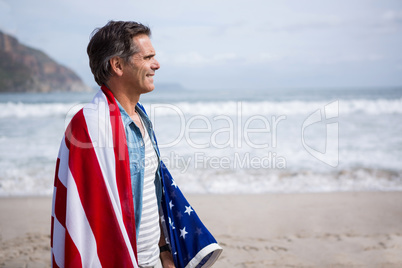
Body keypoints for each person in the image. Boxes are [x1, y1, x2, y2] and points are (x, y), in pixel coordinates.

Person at [51, 21, 222, 268]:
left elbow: (151, 193)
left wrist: (164, 252)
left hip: (152, 260)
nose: (157, 64)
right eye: (148, 57)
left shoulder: (140, 117)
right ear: (118, 65)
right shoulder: (89, 126)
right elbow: (83, 219)